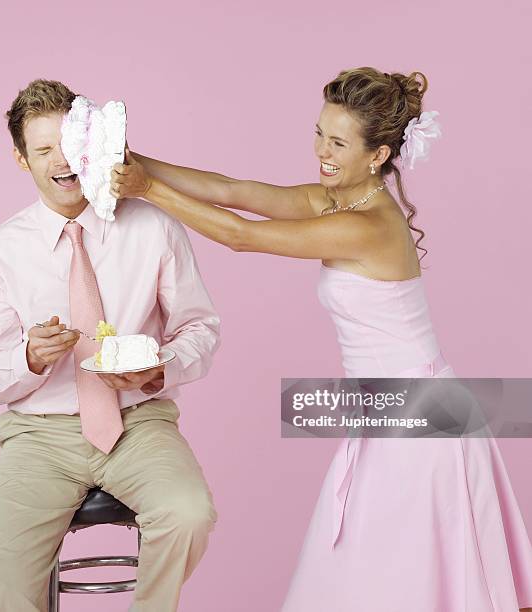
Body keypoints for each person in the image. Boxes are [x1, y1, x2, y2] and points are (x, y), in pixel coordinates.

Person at [110, 67, 532, 611]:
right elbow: (233, 192)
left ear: (377, 155)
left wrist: (149, 191)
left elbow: (243, 236)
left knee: (408, 579)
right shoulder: (337, 201)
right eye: (318, 133)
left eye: (337, 142)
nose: (322, 150)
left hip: (424, 421)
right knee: (377, 572)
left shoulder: (370, 225)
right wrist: (138, 161)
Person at [0, 79, 220, 612]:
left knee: (189, 512)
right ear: (21, 159)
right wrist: (30, 358)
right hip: (39, 437)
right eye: (43, 150)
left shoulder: (154, 228)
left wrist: (157, 369)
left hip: (137, 423)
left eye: (71, 145)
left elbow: (200, 329)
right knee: (5, 587)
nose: (63, 162)